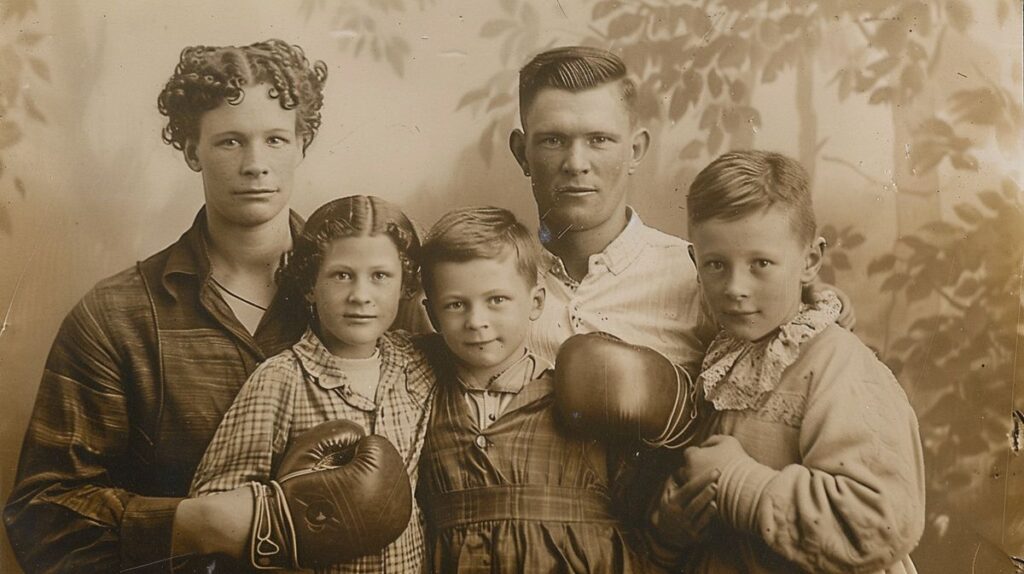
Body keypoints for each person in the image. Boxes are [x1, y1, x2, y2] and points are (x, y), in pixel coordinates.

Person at [3, 40, 328, 572]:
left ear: (302, 143)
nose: (255, 164)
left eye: (275, 139)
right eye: (229, 141)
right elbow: (43, 515)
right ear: (191, 150)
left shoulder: (371, 298)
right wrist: (195, 523)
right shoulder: (116, 317)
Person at [649, 150, 925, 573]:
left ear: (810, 261)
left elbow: (879, 524)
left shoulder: (837, 365)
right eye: (716, 265)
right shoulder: (720, 364)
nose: (735, 288)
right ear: (695, 264)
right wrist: (671, 529)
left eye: (761, 264)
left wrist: (738, 484)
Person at [190, 195, 436, 572]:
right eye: (341, 275)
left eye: (380, 276)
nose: (361, 295)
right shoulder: (281, 380)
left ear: (405, 285)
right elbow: (212, 506)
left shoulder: (418, 364)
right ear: (309, 285)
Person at [414, 207, 660, 572]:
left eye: (496, 300)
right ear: (432, 316)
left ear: (536, 303)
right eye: (455, 305)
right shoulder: (420, 395)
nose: (477, 321)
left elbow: (639, 506)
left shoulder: (578, 395)